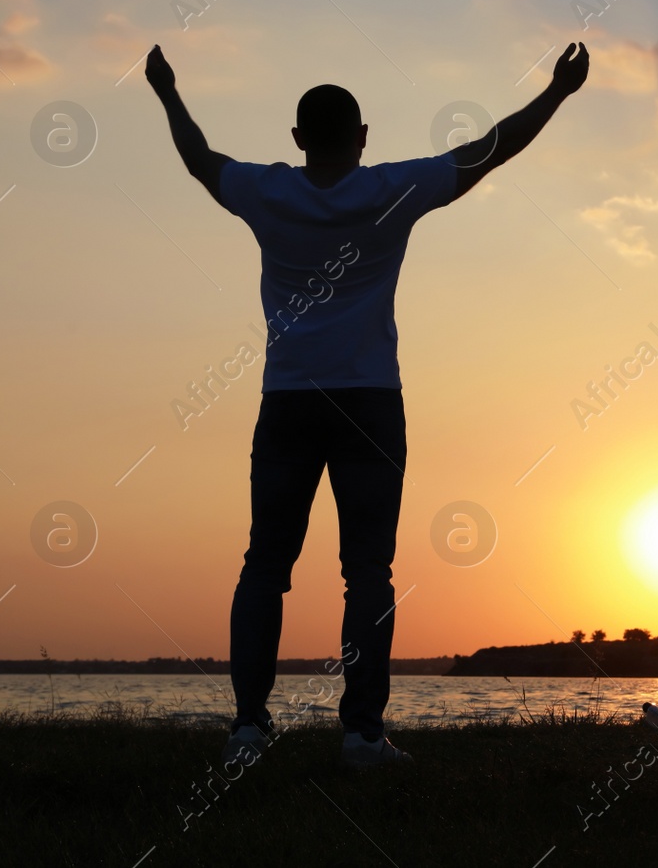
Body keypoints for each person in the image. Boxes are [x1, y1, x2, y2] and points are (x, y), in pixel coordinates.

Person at [144, 41, 590, 767]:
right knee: (369, 572)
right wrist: (558, 91)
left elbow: (199, 159)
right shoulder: (391, 188)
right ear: (360, 138)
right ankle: (361, 733)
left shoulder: (268, 191)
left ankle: (249, 730)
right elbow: (490, 150)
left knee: (266, 565)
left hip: (288, 400)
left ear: (296, 139)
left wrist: (166, 91)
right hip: (369, 404)